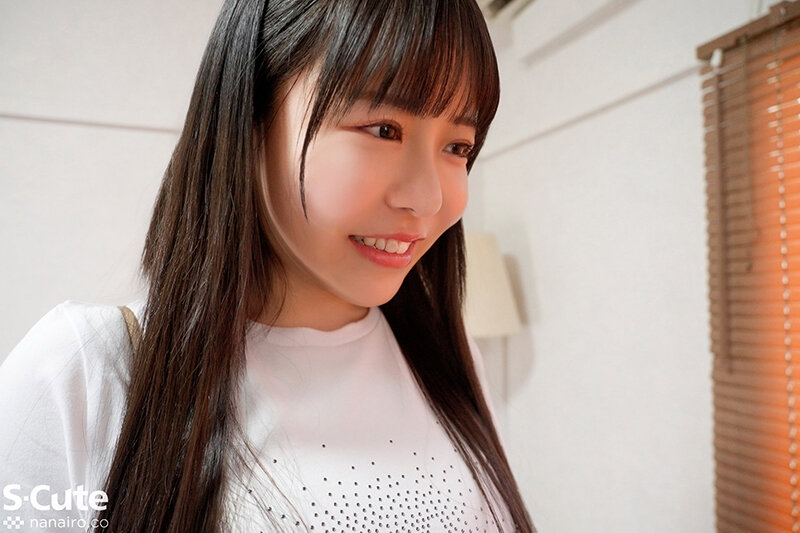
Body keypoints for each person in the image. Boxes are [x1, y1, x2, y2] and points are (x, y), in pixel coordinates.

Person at [0, 0, 537, 532]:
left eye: (458, 146)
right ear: (249, 117)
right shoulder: (84, 373)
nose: (428, 199)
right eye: (383, 130)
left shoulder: (448, 362)